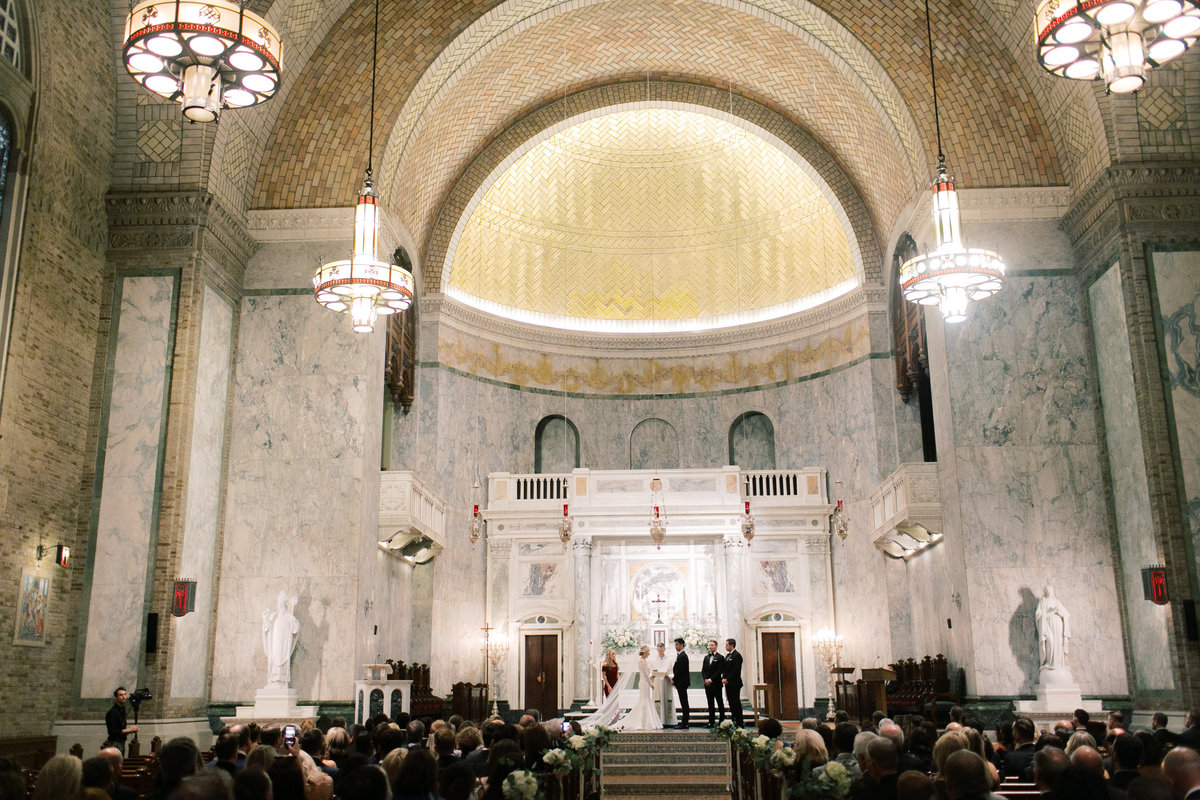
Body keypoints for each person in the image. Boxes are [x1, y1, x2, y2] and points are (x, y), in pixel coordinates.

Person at [613, 645, 663, 731]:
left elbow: (646, 675)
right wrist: (651, 684)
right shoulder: (641, 662)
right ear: (645, 652)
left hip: (645, 682)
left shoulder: (644, 661)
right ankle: (643, 722)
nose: (649, 654)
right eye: (648, 652)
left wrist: (651, 677)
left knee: (646, 700)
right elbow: (644, 675)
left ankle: (647, 721)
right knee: (644, 700)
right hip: (644, 683)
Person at [263, 590, 300, 688]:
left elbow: (295, 629)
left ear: (286, 604)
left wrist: (295, 624)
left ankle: (281, 682)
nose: (282, 605)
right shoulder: (273, 616)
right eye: (280, 603)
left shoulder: (289, 616)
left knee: (281, 660)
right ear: (278, 603)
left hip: (284, 642)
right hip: (275, 642)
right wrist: (265, 619)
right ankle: (273, 681)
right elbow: (267, 628)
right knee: (273, 659)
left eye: (284, 603)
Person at [1036, 585, 1070, 671]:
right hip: (1047, 624)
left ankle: (1058, 664)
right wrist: (1047, 614)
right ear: (1045, 591)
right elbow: (1038, 614)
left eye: (1050, 590)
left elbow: (1066, 614)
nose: (1049, 591)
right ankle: (1049, 663)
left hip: (1057, 624)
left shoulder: (1057, 602)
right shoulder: (1042, 601)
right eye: (1047, 590)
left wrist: (1059, 612)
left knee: (1058, 643)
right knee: (1050, 642)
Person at [106, 687, 139, 755]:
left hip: (121, 741)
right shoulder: (112, 712)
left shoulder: (122, 710)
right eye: (121, 695)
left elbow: (121, 728)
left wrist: (131, 730)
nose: (123, 697)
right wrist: (129, 730)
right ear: (116, 698)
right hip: (115, 742)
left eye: (125, 694)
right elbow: (112, 731)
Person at [651, 642, 675, 727]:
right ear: (657, 650)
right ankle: (659, 720)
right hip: (657, 682)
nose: (660, 652)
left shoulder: (669, 660)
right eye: (659, 650)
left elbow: (672, 671)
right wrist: (652, 676)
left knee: (666, 699)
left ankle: (668, 720)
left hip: (666, 682)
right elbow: (652, 672)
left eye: (662, 650)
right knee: (658, 699)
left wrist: (669, 676)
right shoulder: (653, 660)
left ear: (664, 649)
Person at [702, 639, 725, 727]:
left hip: (716, 684)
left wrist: (711, 679)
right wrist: (705, 679)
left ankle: (722, 721)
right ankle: (711, 722)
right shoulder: (706, 657)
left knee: (719, 702)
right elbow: (703, 670)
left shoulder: (720, 657)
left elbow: (719, 671)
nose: (710, 647)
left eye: (712, 645)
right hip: (707, 685)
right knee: (710, 703)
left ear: (716, 646)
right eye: (709, 645)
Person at [723, 638, 745, 727]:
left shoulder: (737, 656)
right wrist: (723, 677)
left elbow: (735, 670)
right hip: (728, 683)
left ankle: (739, 721)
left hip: (734, 683)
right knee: (731, 703)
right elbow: (725, 669)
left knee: (736, 702)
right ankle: (734, 719)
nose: (725, 646)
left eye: (727, 645)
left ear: (731, 645)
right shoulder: (727, 656)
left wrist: (727, 679)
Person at [671, 637, 691, 729]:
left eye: (677, 644)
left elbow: (679, 670)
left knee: (684, 702)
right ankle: (684, 721)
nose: (675, 646)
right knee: (683, 702)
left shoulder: (683, 656)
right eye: (675, 644)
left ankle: (685, 722)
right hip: (681, 682)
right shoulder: (680, 655)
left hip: (682, 682)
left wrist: (673, 679)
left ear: (682, 645)